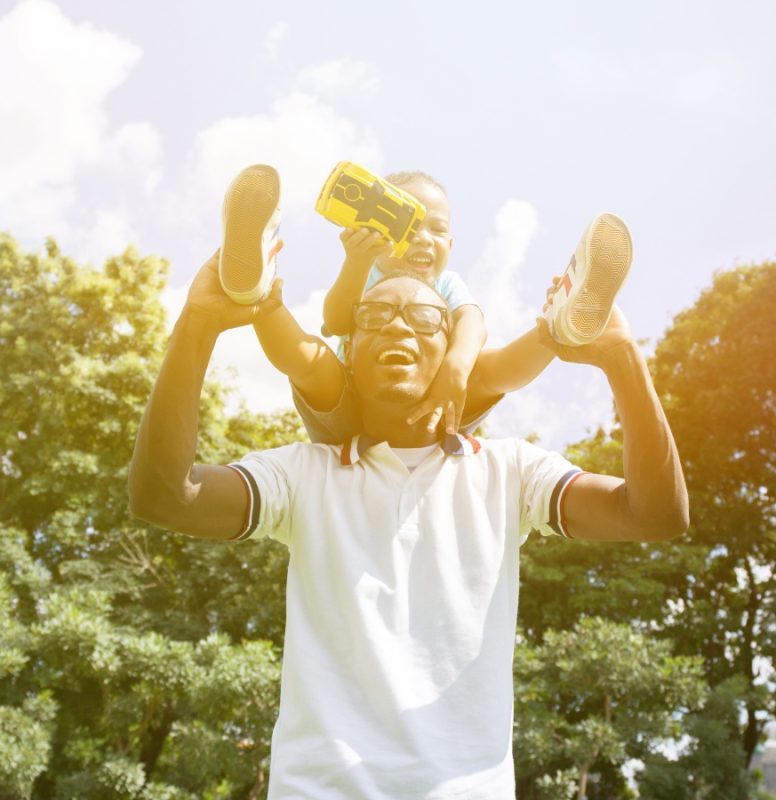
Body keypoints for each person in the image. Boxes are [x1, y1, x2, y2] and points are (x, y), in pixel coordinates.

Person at [128, 254, 689, 798]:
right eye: (373, 317)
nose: (398, 326)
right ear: (347, 354)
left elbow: (654, 514)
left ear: (452, 356)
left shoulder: (510, 471)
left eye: (425, 319)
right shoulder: (302, 475)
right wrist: (198, 323)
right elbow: (166, 498)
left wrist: (622, 359)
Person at [218, 165, 631, 442]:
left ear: (451, 244)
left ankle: (559, 326)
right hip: (348, 408)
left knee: (488, 369)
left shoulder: (446, 284)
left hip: (433, 408)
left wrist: (455, 368)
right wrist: (356, 262)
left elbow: (472, 321)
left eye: (437, 229)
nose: (423, 239)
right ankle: (257, 292)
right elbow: (337, 321)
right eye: (407, 224)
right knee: (313, 361)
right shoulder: (368, 274)